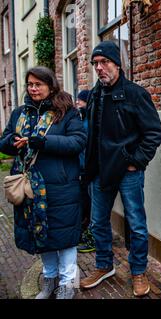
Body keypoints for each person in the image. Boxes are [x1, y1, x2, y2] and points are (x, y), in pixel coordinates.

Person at [79, 41, 161, 297]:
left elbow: (153, 132)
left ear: (117, 63)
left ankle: (138, 271)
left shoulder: (135, 93)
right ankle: (104, 265)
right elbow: (91, 135)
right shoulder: (94, 94)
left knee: (137, 224)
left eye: (104, 62)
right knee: (97, 223)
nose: (100, 68)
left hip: (128, 172)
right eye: (96, 64)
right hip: (99, 172)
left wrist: (134, 161)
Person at [0, 66, 87, 299]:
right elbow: (4, 140)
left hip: (61, 187)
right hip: (30, 188)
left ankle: (67, 283)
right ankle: (49, 279)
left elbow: (78, 142)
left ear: (50, 86)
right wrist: (12, 142)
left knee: (65, 236)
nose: (33, 88)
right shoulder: (19, 113)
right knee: (42, 235)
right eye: (30, 84)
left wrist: (43, 141)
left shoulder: (65, 111)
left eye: (38, 84)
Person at [75, 90, 96, 253]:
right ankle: (87, 233)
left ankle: (92, 237)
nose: (77, 103)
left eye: (80, 101)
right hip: (82, 169)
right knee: (86, 203)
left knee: (90, 205)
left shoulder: (89, 121)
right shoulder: (83, 119)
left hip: (88, 170)